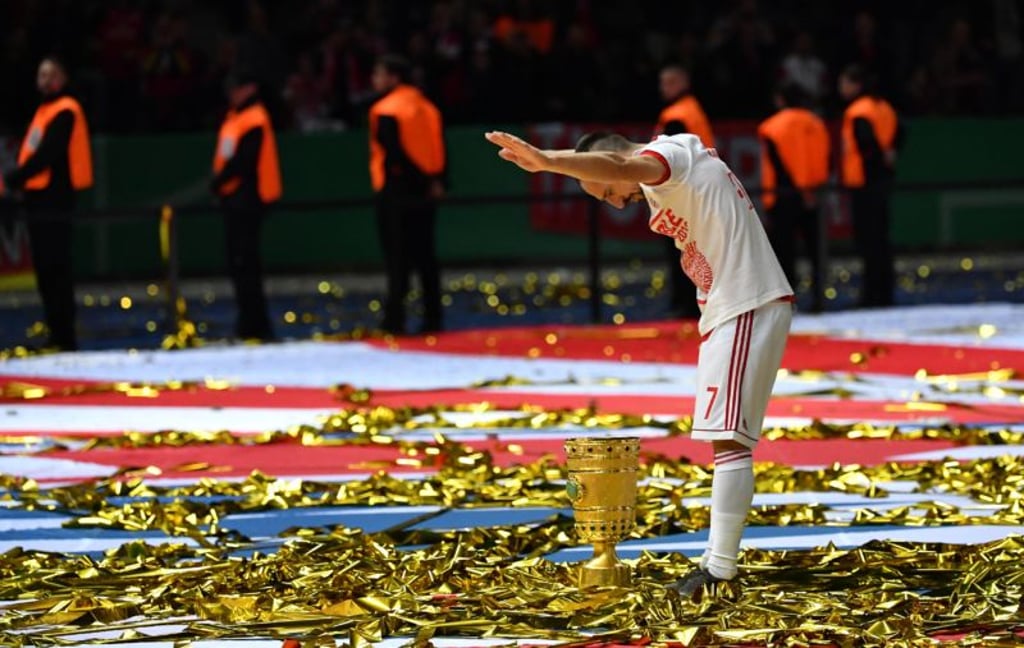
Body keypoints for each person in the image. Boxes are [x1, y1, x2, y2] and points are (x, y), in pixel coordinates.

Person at [485, 129, 794, 597]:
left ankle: (719, 573)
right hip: (732, 308)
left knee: (729, 442)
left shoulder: (668, 156)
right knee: (725, 442)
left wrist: (548, 160)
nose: (614, 202)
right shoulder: (661, 176)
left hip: (745, 303)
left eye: (606, 191)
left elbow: (621, 165)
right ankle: (716, 564)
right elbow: (616, 165)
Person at [1, 57, 93, 351]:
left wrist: (13, 180)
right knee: (46, 268)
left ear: (63, 77)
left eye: (50, 74)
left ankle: (64, 336)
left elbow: (47, 155)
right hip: (39, 197)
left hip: (55, 197)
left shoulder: (65, 110)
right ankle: (57, 332)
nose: (44, 80)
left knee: (55, 267)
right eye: (41, 74)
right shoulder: (45, 109)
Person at [368, 54, 446, 335]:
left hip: (397, 192)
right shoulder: (427, 107)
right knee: (426, 257)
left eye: (378, 74)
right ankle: (433, 319)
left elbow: (394, 155)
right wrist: (435, 182)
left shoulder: (386, 109)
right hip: (427, 192)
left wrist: (421, 181)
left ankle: (394, 320)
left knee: (397, 260)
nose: (374, 80)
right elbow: (439, 149)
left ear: (393, 77)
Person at [210, 71, 281, 341]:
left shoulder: (253, 119)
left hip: (247, 199)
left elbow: (243, 161)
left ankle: (255, 325)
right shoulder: (237, 117)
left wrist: (218, 182)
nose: (232, 93)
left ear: (250, 88)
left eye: (237, 87)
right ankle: (249, 323)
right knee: (240, 264)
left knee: (245, 263)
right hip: (234, 198)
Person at [758, 82, 830, 311]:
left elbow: (779, 165)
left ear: (780, 99)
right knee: (816, 250)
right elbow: (827, 159)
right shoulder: (817, 123)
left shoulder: (771, 126)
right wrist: (810, 190)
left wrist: (798, 189)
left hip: (783, 196)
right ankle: (819, 299)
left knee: (783, 252)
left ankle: (787, 303)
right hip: (815, 194)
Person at [838, 64, 903, 308]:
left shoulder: (858, 111)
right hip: (882, 180)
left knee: (869, 242)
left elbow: (866, 146)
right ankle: (885, 293)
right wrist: (889, 156)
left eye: (844, 83)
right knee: (882, 240)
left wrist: (877, 159)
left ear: (856, 85)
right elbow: (900, 133)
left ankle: (871, 296)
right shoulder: (884, 107)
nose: (841, 88)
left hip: (865, 183)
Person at [654, 65, 714, 319]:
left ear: (684, 82)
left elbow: (672, 159)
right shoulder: (693, 108)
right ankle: (693, 304)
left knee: (681, 251)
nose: (664, 87)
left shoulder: (676, 115)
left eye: (670, 82)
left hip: (681, 194)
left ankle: (685, 305)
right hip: (700, 189)